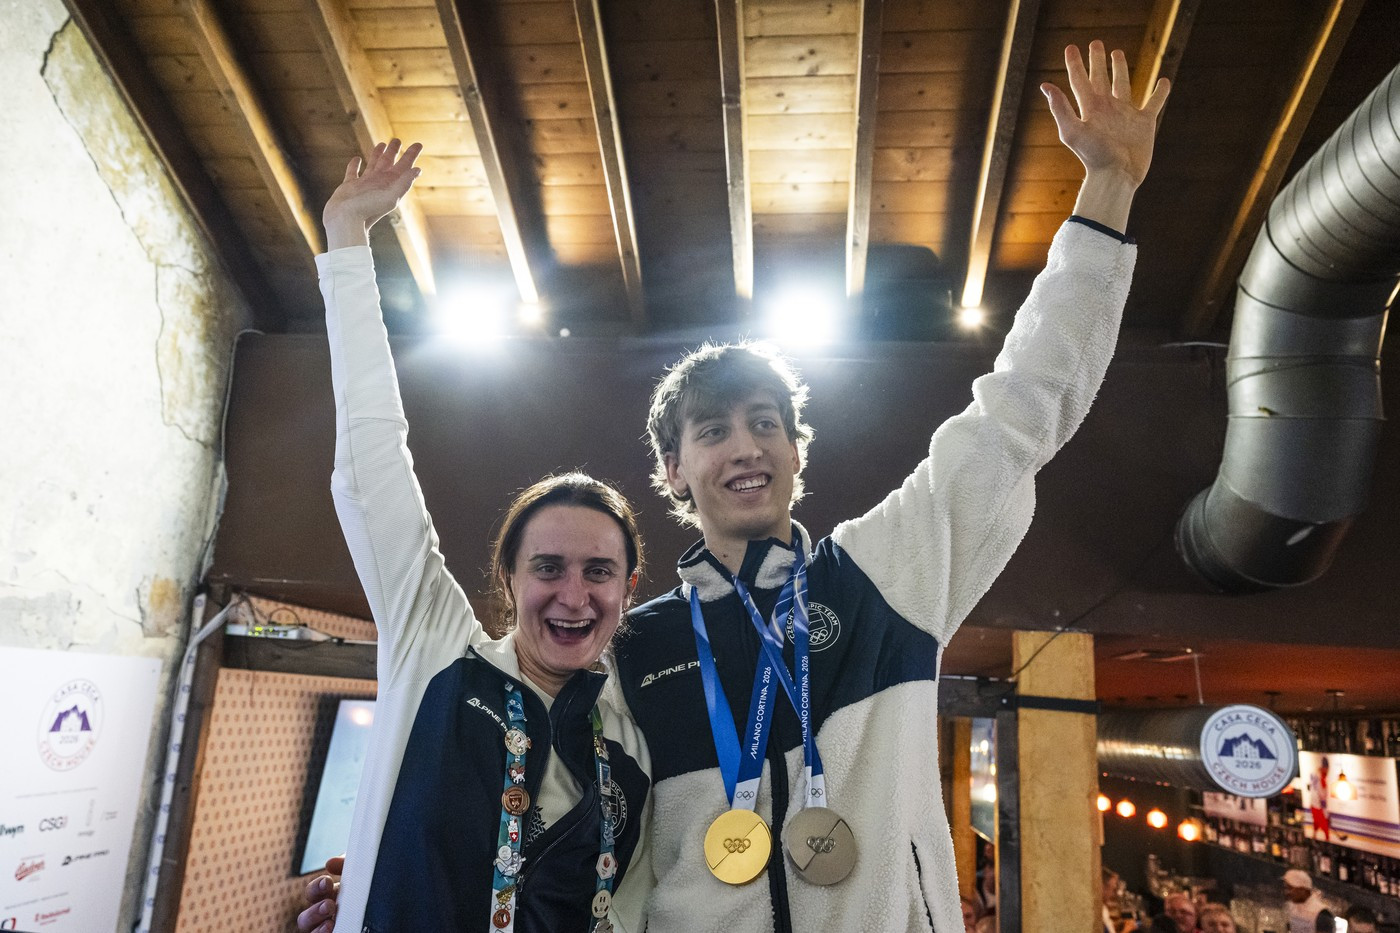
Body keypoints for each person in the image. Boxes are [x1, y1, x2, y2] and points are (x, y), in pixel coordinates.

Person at [302, 37, 1169, 932]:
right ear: (674, 469)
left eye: (765, 422)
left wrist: (1107, 192)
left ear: (797, 449)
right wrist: (380, 864)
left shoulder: (885, 576)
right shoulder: (629, 650)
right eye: (712, 430)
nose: (745, 446)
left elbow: (1017, 415)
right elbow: (571, 833)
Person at [308, 140, 652, 933]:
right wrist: (348, 241)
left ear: (629, 589)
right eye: (548, 566)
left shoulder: (639, 740)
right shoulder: (435, 650)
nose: (573, 594)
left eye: (599, 570)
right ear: (509, 578)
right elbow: (371, 464)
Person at [1284, 869, 1336, 933]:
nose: (1287, 893)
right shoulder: (1292, 906)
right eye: (1286, 888)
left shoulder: (1322, 914)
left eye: (1290, 888)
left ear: (1303, 890)